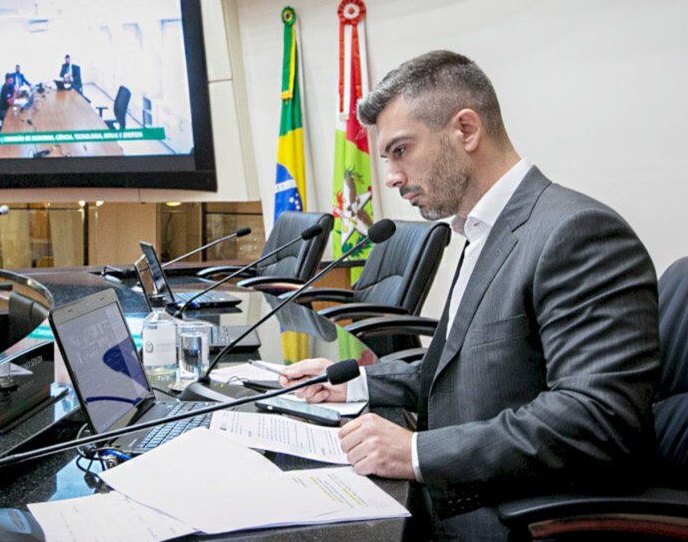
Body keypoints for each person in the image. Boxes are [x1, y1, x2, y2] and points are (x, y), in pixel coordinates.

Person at [281, 50, 659, 540]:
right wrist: (357, 385)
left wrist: (416, 452)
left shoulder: (578, 232)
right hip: (471, 490)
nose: (391, 177)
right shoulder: (482, 229)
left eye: (400, 150)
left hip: (519, 514)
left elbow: (593, 419)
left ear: (465, 130)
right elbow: (464, 366)